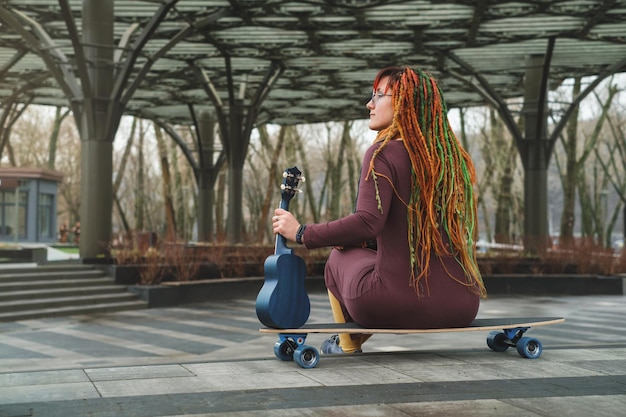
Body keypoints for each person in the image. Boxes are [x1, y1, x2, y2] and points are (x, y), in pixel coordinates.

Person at [272, 66, 487, 354]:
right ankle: (350, 339)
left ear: (403, 102)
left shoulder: (382, 153)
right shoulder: (451, 160)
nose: (369, 104)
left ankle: (347, 344)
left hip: (393, 304)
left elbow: (368, 222)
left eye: (378, 95)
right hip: (462, 304)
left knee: (339, 256)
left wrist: (301, 233)